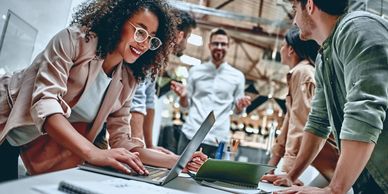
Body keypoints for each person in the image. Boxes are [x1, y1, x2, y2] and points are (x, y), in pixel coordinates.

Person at [0, 0, 205, 183]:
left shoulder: (126, 79)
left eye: (151, 38)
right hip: (4, 125)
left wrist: (178, 161)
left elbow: (123, 141)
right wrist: (94, 153)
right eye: (140, 31)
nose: (143, 44)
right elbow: (46, 104)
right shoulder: (73, 40)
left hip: (27, 142)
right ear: (118, 21)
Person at [261, 0, 388, 193]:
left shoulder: (358, 29)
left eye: (295, 9)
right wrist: (290, 176)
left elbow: (364, 112)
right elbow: (318, 121)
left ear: (309, 6)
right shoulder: (324, 57)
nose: (294, 21)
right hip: (370, 176)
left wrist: (334, 190)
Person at [267, 26, 338, 183]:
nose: (281, 49)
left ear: (291, 50)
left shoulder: (303, 72)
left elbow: (301, 125)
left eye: (283, 45)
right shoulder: (299, 73)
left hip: (327, 161)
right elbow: (288, 124)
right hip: (320, 162)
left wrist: (289, 174)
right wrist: (270, 167)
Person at [171, 28, 251, 158]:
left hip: (218, 138)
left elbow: (237, 113)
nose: (219, 47)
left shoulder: (238, 76)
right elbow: (185, 105)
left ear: (228, 46)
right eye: (215, 43)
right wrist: (183, 96)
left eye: (223, 44)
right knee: (181, 174)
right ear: (209, 45)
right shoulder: (195, 71)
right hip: (191, 134)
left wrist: (240, 106)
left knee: (212, 177)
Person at [130, 9, 197, 155]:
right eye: (189, 36)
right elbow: (137, 100)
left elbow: (149, 100)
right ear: (180, 36)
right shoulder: (148, 54)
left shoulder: (158, 60)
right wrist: (138, 149)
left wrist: (149, 146)